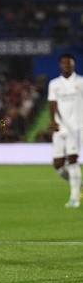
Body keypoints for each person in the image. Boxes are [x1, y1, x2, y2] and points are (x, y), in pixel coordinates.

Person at [48, 53, 83, 208]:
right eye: (63, 63)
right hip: (59, 128)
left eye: (68, 63)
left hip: (76, 127)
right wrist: (53, 121)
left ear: (73, 65)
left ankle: (74, 198)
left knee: (73, 160)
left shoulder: (81, 82)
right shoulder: (54, 84)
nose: (65, 66)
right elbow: (52, 103)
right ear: (60, 65)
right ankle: (78, 184)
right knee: (58, 165)